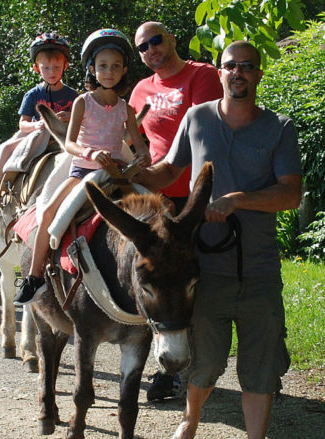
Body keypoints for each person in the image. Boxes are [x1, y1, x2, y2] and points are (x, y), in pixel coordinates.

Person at [132, 41, 302, 439]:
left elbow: (291, 194)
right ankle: (189, 424)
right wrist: (130, 171)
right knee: (203, 363)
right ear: (220, 72)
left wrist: (239, 200)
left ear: (259, 74)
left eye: (247, 66)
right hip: (203, 271)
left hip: (260, 271)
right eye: (231, 66)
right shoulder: (198, 117)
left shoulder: (279, 129)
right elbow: (169, 172)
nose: (238, 73)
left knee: (260, 369)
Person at [14, 28, 151, 305]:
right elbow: (69, 143)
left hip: (117, 175)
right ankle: (35, 275)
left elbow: (139, 145)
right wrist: (90, 152)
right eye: (102, 66)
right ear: (91, 68)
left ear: (124, 69)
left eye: (115, 66)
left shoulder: (127, 109)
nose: (109, 72)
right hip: (83, 172)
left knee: (160, 211)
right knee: (49, 211)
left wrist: (142, 159)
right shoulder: (83, 102)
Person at [129, 21, 223, 401]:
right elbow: (135, 140)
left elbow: (202, 136)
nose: (151, 49)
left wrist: (170, 181)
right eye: (142, 47)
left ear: (170, 37)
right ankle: (166, 369)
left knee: (195, 285)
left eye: (155, 40)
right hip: (155, 203)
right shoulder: (140, 89)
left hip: (192, 200)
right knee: (160, 288)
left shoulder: (202, 75)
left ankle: (199, 369)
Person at [0, 32, 78, 206]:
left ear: (65, 66)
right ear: (37, 68)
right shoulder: (33, 94)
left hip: (63, 137)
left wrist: (70, 117)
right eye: (46, 68)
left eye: (57, 67)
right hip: (38, 133)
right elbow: (23, 123)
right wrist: (38, 125)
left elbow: (83, 120)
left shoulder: (73, 96)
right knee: (5, 147)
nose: (52, 72)